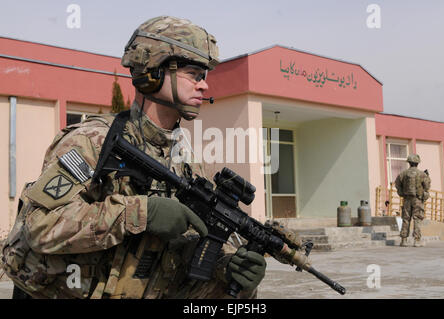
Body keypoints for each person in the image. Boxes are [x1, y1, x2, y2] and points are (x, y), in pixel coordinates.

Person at [1, 16, 266, 299]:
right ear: (152, 72)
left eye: (205, 77)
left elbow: (186, 245)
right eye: (194, 74)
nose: (204, 86)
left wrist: (226, 268)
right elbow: (40, 225)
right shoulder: (93, 140)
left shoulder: (186, 161)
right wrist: (141, 212)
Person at [394, 154, 431, 247]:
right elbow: (427, 187)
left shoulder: (403, 173)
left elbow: (397, 184)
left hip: (406, 199)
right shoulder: (422, 174)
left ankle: (403, 240)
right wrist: (427, 176)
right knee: (417, 219)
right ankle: (417, 241)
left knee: (406, 219)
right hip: (417, 199)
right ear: (417, 163)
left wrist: (401, 193)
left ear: (409, 163)